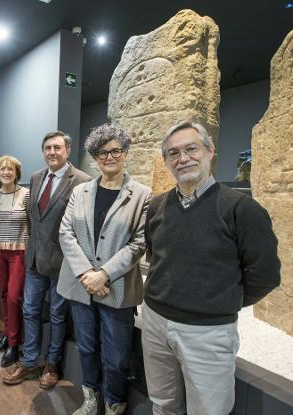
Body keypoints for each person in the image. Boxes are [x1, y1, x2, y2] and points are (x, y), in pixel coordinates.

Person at [142, 121, 280, 415]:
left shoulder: (242, 209)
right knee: (163, 403)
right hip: (155, 323)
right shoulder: (156, 207)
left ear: (209, 151)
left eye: (191, 149)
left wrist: (220, 301)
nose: (183, 159)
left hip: (208, 331)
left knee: (208, 411)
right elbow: (155, 257)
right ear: (166, 161)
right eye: (173, 153)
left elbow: (265, 274)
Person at [57, 124, 152, 415]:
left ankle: (114, 403)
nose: (109, 157)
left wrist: (104, 274)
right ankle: (91, 398)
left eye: (115, 151)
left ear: (125, 153)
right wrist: (87, 274)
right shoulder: (81, 191)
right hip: (80, 285)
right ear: (95, 158)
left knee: (117, 355)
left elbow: (139, 243)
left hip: (117, 288)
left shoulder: (142, 195)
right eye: (102, 153)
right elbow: (65, 232)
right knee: (87, 346)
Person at [3, 131, 90, 389]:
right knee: (30, 310)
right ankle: (29, 362)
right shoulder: (36, 177)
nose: (52, 152)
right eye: (48, 148)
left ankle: (52, 364)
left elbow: (82, 227)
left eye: (57, 147)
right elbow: (34, 220)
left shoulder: (82, 182)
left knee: (57, 315)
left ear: (68, 151)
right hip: (34, 261)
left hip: (63, 263)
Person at [0, 155, 31, 367]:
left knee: (15, 297)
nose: (6, 172)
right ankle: (8, 335)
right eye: (2, 169)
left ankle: (15, 344)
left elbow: (32, 225)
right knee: (4, 295)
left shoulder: (25, 194)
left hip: (18, 252)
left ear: (16, 173)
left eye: (10, 169)